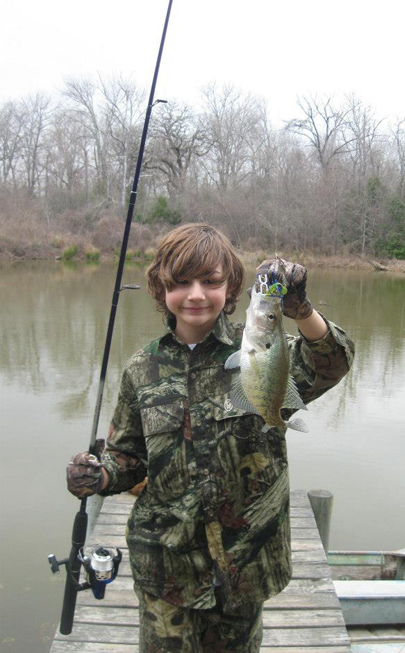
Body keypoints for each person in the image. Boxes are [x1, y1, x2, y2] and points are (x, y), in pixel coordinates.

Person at [67, 223, 354, 653]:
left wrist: (300, 309)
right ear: (161, 288)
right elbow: (128, 457)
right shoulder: (142, 369)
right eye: (181, 283)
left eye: (211, 281)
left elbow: (333, 362)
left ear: (232, 287)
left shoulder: (264, 347)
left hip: (246, 564)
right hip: (167, 566)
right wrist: (99, 476)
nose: (196, 295)